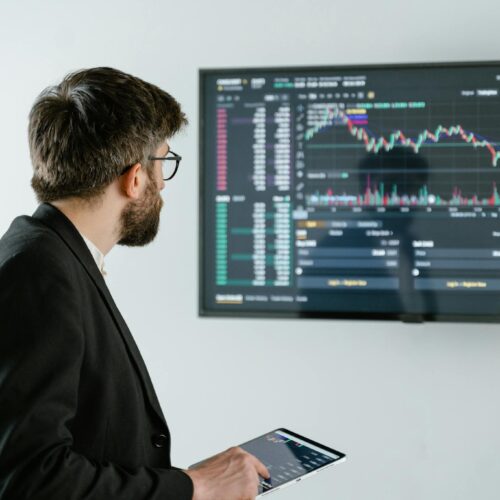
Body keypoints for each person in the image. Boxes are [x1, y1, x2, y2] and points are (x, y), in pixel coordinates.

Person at [0, 67, 269, 500]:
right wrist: (194, 487)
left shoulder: (54, 256)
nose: (163, 182)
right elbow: (31, 479)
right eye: (162, 161)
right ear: (136, 177)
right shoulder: (39, 270)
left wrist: (179, 484)